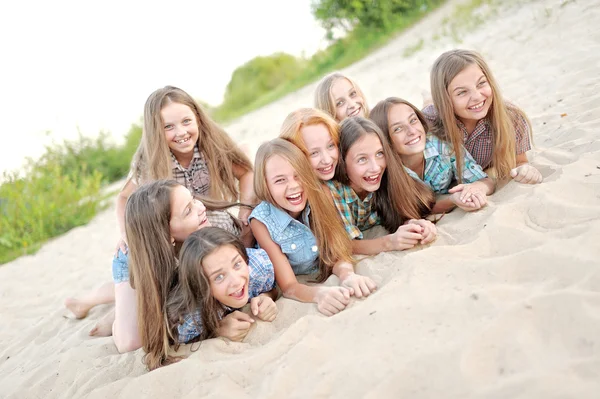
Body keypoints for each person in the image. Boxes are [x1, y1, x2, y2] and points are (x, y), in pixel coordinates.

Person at [249, 139, 377, 316]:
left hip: (320, 270)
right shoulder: (261, 222)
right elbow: (288, 286)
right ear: (265, 185)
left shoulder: (320, 194)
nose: (293, 186)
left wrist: (347, 275)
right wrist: (320, 294)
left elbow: (336, 252)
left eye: (298, 175)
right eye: (280, 180)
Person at [138, 227, 277, 371]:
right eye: (219, 277)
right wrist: (217, 330)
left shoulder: (257, 268)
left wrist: (265, 297)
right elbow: (166, 344)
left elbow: (272, 288)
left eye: (237, 264)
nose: (236, 281)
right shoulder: (188, 318)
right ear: (201, 287)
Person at [424, 49, 542, 184]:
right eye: (462, 92)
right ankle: (428, 98)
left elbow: (520, 162)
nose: (477, 96)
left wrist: (525, 170)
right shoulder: (428, 123)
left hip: (481, 176)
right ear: (445, 98)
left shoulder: (511, 118)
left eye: (481, 83)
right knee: (429, 105)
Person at [326, 117, 437, 255]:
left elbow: (419, 204)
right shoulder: (332, 191)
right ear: (342, 161)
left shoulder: (389, 175)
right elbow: (343, 245)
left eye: (379, 154)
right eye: (362, 159)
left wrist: (416, 225)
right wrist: (390, 242)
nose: (376, 167)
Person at [370, 97, 495, 213]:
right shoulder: (383, 170)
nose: (412, 131)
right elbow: (415, 211)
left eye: (413, 120)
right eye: (398, 129)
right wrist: (452, 201)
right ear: (385, 139)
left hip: (432, 124)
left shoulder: (442, 145)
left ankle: (427, 101)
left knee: (430, 107)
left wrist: (475, 189)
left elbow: (485, 181)